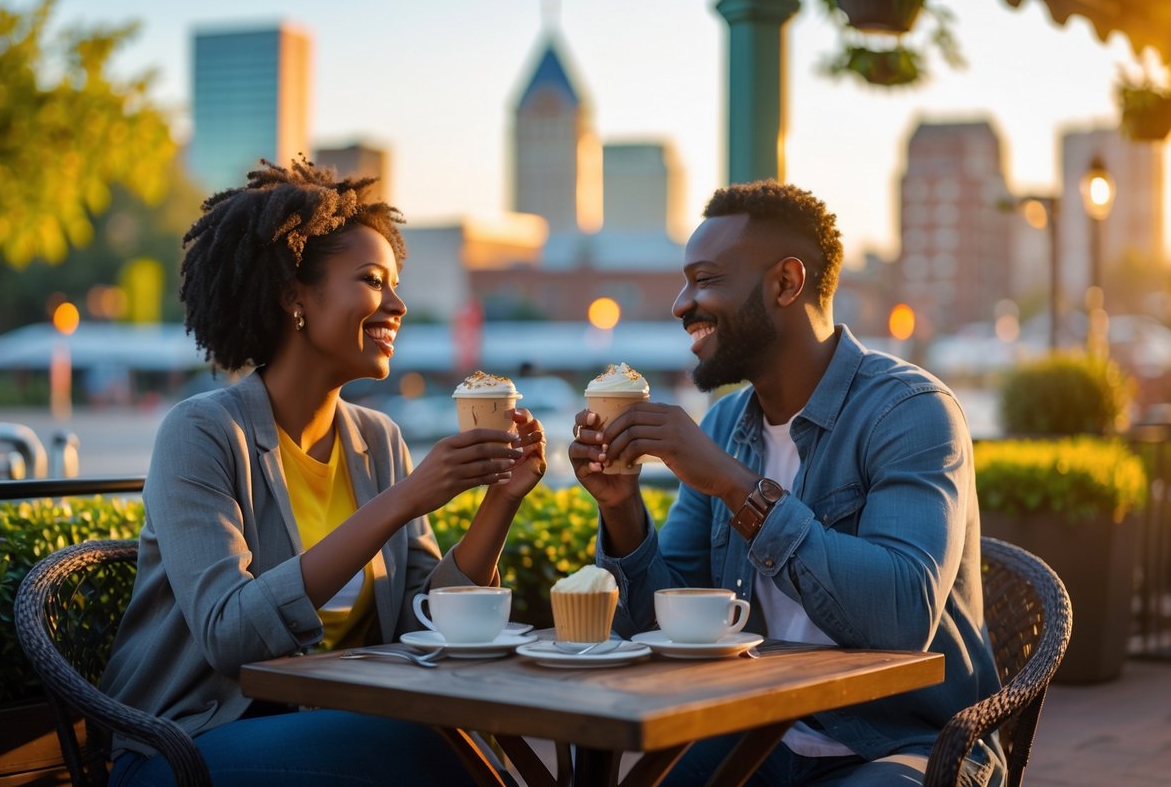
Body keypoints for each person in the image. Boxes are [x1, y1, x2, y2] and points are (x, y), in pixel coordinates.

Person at [101, 158, 546, 786]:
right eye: (372, 280)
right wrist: (401, 502)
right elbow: (228, 634)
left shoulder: (378, 440)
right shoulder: (202, 434)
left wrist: (499, 500)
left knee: (458, 737)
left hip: (334, 726)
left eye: (393, 284)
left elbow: (425, 619)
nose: (397, 303)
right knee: (432, 747)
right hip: (188, 745)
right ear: (294, 298)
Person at [569, 180, 1004, 786]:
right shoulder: (723, 424)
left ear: (785, 283)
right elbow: (661, 626)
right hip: (759, 735)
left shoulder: (909, 410)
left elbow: (904, 617)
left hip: (902, 743)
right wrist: (620, 508)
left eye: (706, 279)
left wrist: (733, 485)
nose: (680, 304)